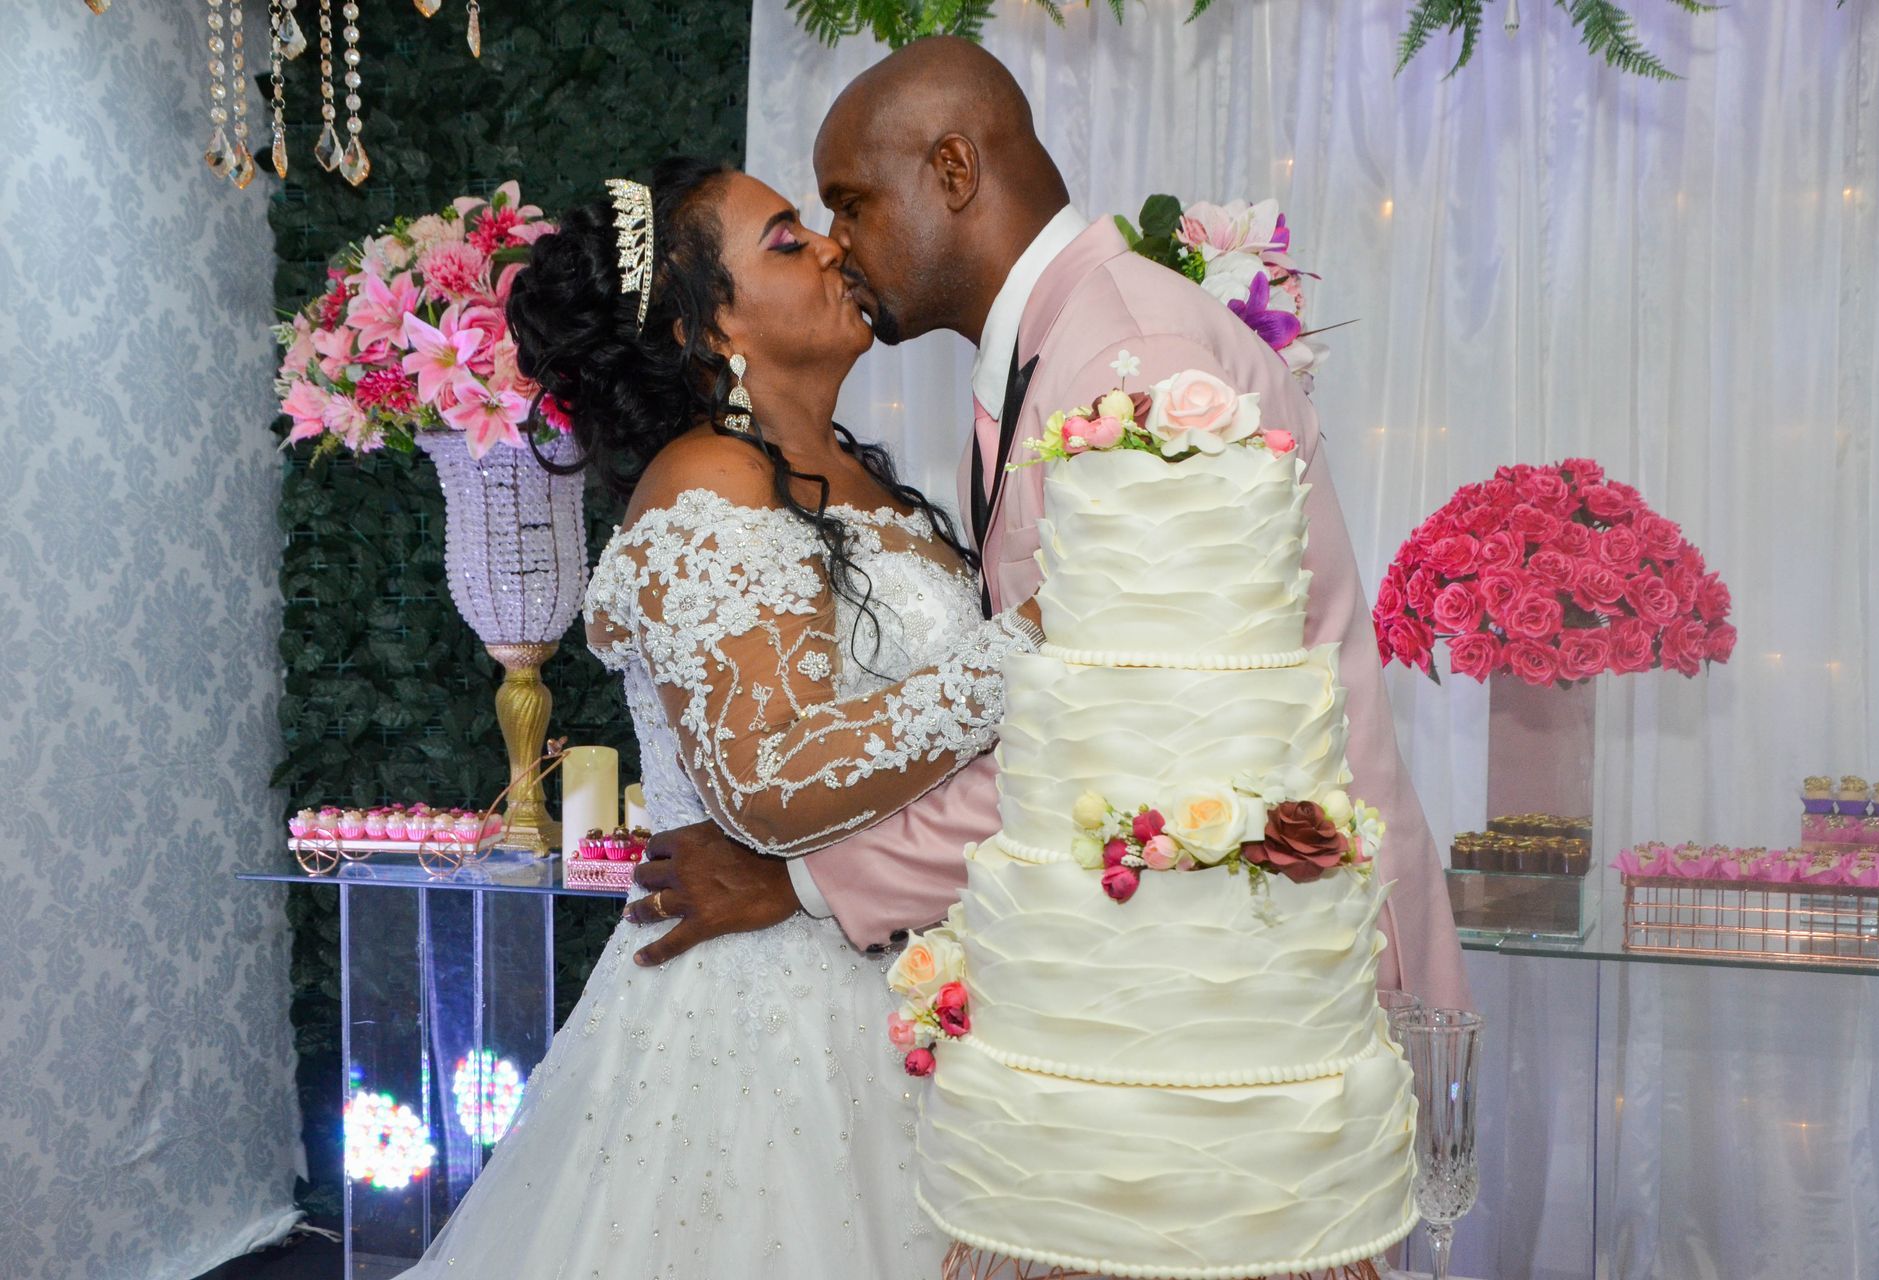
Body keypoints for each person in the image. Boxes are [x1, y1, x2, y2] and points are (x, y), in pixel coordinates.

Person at [635, 38, 1470, 1012]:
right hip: (1162, 959)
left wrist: (811, 880)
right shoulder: (1039, 375)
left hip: (1279, 969)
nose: (838, 243)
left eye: (851, 203)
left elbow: (1132, 727)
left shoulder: (1134, 361)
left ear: (953, 170)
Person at [396, 157, 1041, 1277]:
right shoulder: (711, 481)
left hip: (910, 985)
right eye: (788, 240)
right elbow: (772, 783)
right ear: (709, 331)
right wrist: (1033, 645)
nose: (835, 246)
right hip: (771, 1025)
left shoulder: (861, 477)